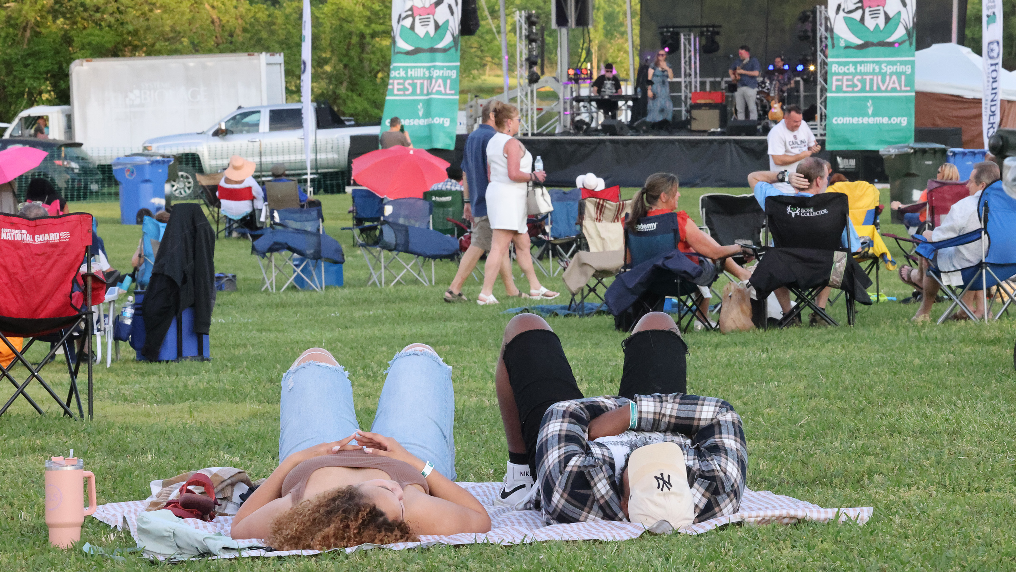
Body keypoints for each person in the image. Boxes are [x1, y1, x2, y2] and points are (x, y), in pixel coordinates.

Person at [492, 312, 747, 529]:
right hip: (640, 420)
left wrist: (615, 419)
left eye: (640, 467)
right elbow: (722, 414)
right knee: (657, 322)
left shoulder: (574, 489)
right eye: (667, 462)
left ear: (625, 505)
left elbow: (561, 414)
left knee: (524, 327)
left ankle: (520, 476)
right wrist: (630, 413)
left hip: (577, 438)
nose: (649, 452)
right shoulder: (717, 490)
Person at [230, 345, 491, 548]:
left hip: (318, 451)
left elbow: (239, 526)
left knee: (314, 361)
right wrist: (412, 461)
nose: (399, 496)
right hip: (403, 456)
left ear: (345, 497)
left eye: (387, 491)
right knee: (419, 357)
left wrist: (295, 460)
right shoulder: (407, 510)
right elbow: (479, 517)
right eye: (400, 504)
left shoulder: (301, 508)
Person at [626, 172, 754, 328]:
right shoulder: (677, 221)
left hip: (647, 283)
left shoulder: (631, 222)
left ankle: (742, 275)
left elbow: (628, 261)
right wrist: (740, 247)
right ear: (664, 197)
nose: (679, 194)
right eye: (676, 191)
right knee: (707, 258)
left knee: (696, 248)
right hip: (679, 281)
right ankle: (703, 317)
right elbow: (715, 253)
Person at [748, 157, 863, 325]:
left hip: (784, 271)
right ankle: (819, 312)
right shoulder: (834, 207)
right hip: (823, 271)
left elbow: (753, 177)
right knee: (837, 256)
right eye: (826, 178)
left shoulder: (777, 200)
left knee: (774, 255)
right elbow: (855, 249)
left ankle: (789, 315)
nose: (827, 181)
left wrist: (784, 176)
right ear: (818, 181)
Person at [897, 161, 999, 322]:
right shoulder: (1009, 205)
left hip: (968, 271)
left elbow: (941, 237)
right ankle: (980, 309)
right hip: (1002, 269)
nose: (967, 186)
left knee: (930, 249)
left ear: (982, 186)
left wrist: (929, 235)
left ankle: (924, 311)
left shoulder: (965, 206)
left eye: (970, 182)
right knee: (980, 253)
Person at [476, 103, 558, 305]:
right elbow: (513, 174)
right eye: (519, 119)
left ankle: (535, 287)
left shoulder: (493, 141)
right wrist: (534, 175)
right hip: (509, 197)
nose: (520, 122)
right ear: (509, 122)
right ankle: (485, 293)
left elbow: (491, 173)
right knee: (499, 246)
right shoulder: (511, 143)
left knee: (523, 244)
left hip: (501, 194)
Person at [445, 99, 520, 303]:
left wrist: (467, 200)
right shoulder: (495, 138)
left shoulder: (472, 137)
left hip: (478, 199)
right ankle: (454, 289)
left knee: (499, 244)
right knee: (479, 243)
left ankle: (511, 289)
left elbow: (466, 172)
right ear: (494, 116)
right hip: (493, 200)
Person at [890, 163, 960, 232]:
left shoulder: (932, 190)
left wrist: (899, 206)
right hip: (951, 224)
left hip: (928, 223)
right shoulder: (960, 192)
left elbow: (918, 208)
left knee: (906, 215)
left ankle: (915, 237)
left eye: (938, 172)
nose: (937, 174)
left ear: (944, 175)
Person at [767, 104, 820, 174]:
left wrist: (814, 148)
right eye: (795, 121)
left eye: (800, 121)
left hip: (803, 175)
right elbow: (777, 160)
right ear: (785, 118)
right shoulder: (776, 132)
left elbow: (812, 144)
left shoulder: (803, 125)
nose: (798, 124)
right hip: (784, 180)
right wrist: (800, 156)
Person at [217, 156, 264, 230]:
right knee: (259, 200)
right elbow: (259, 194)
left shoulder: (223, 180)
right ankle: (258, 226)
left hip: (227, 209)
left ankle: (232, 229)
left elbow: (218, 194)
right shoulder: (249, 180)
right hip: (245, 209)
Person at [728, 45, 761, 120]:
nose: (739, 54)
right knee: (739, 110)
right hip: (739, 86)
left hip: (750, 87)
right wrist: (732, 75)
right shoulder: (737, 61)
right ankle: (741, 126)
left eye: (741, 53)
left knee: (752, 108)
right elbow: (730, 69)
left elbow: (756, 73)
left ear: (746, 53)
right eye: (739, 53)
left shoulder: (753, 60)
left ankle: (753, 126)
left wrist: (743, 72)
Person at [646, 50, 674, 125]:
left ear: (665, 56)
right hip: (655, 88)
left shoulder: (668, 65)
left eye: (663, 55)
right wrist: (649, 90)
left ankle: (665, 123)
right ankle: (655, 124)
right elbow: (649, 78)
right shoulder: (653, 65)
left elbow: (671, 77)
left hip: (664, 89)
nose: (661, 56)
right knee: (655, 106)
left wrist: (667, 68)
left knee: (667, 106)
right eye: (659, 55)